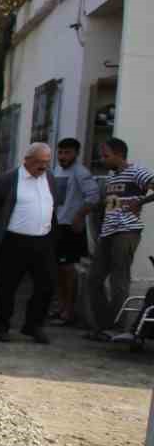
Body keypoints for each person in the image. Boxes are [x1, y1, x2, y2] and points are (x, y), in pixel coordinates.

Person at [0, 141, 56, 344]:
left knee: (47, 284)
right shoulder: (9, 179)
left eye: (47, 162)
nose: (43, 167)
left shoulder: (49, 178)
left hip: (42, 240)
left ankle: (33, 326)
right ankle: (2, 326)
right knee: (8, 286)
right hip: (14, 241)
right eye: (39, 162)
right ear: (27, 160)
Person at [88, 136, 154, 341]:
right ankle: (104, 325)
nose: (103, 159)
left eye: (106, 155)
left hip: (127, 231)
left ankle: (117, 328)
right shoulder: (111, 178)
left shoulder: (136, 171)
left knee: (119, 279)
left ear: (119, 155)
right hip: (107, 233)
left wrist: (140, 202)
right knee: (94, 279)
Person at [50, 137, 101, 326]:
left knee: (68, 268)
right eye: (61, 152)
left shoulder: (81, 172)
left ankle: (69, 312)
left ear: (76, 153)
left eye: (67, 152)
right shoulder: (57, 171)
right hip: (56, 225)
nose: (63, 156)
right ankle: (61, 307)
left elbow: (94, 197)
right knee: (58, 269)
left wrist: (79, 216)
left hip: (71, 227)